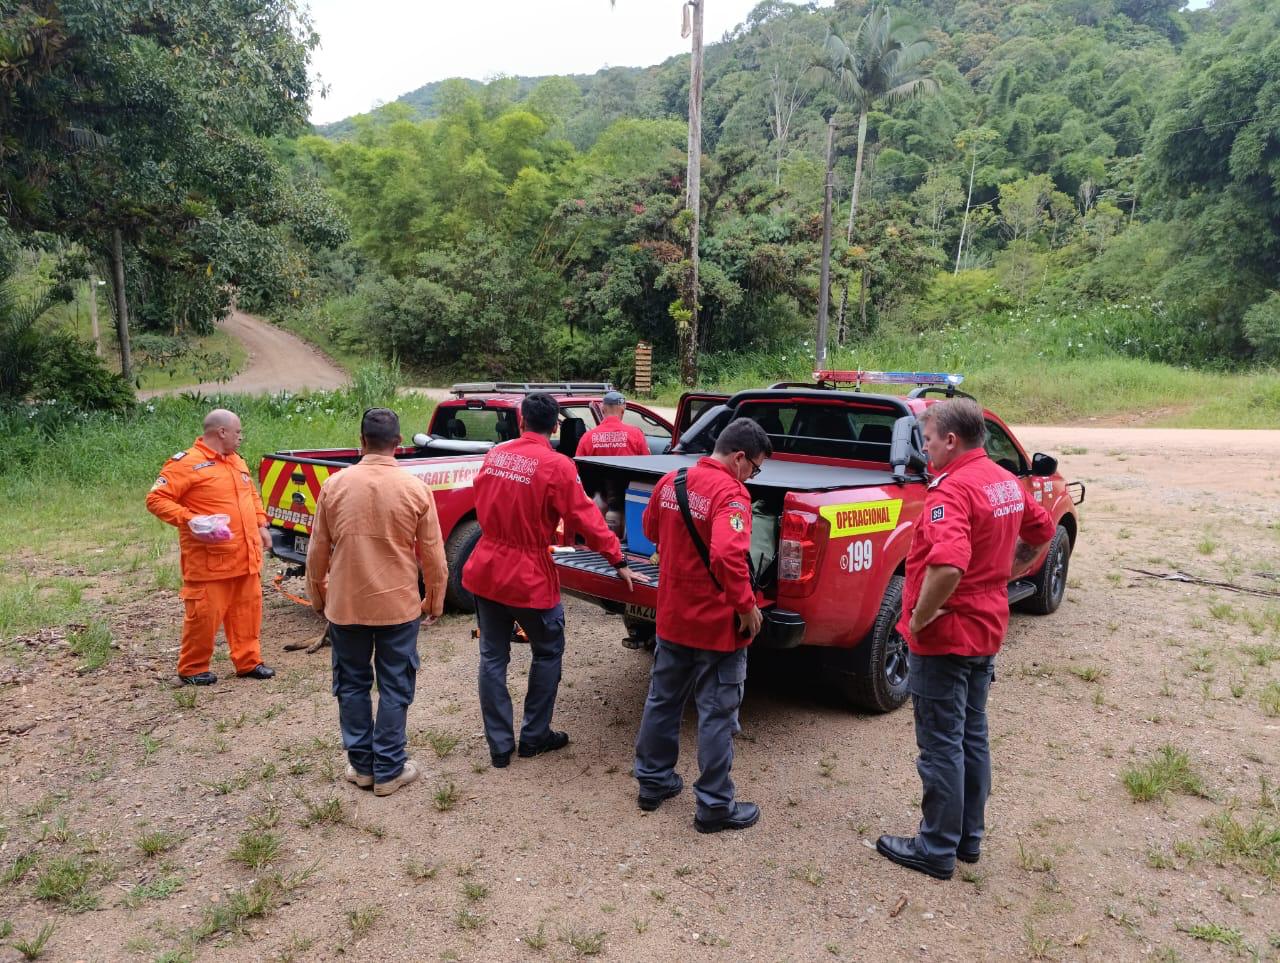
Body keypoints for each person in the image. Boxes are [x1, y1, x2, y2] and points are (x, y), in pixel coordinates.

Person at [876, 399, 1055, 879]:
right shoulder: (1004, 481)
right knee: (971, 735)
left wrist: (918, 617)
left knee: (941, 744)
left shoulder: (952, 490)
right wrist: (1007, 572)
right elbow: (1042, 530)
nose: (925, 449)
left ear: (951, 440)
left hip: (947, 635)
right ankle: (966, 839)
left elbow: (949, 565)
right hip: (986, 626)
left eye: (929, 439)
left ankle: (935, 848)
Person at [462, 391, 642, 769]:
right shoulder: (557, 465)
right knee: (547, 651)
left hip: (486, 567)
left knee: (492, 657)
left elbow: (481, 498)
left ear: (521, 421)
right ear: (556, 426)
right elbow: (586, 516)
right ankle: (534, 736)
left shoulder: (495, 455)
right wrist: (618, 559)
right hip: (527, 575)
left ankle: (499, 747)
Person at [633, 417, 771, 834]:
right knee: (717, 713)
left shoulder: (672, 481)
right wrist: (745, 606)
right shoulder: (732, 494)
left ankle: (652, 782)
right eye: (755, 468)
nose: (752, 477)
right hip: (716, 627)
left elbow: (650, 529)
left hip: (673, 616)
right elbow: (727, 556)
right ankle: (714, 805)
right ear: (739, 457)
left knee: (663, 700)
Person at [305, 408, 448, 797]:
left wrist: (318, 596)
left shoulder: (334, 486)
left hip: (346, 605)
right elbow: (433, 555)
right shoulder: (415, 489)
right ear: (398, 444)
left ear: (361, 441)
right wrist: (434, 600)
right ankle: (388, 769)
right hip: (398, 607)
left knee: (351, 684)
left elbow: (318, 550)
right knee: (395, 685)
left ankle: (362, 767)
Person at [146, 408, 275, 685]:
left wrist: (261, 524)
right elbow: (156, 499)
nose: (241, 437)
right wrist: (190, 519)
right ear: (222, 432)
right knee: (204, 615)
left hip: (246, 557)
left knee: (247, 612)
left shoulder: (236, 461)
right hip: (210, 561)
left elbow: (251, 494)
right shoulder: (186, 463)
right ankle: (192, 669)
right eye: (238, 432)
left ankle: (249, 662)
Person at [577, 390, 650, 457]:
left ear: (602, 409)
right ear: (623, 410)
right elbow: (646, 461)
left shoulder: (587, 438)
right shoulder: (636, 434)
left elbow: (578, 464)